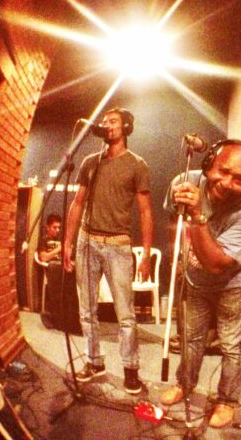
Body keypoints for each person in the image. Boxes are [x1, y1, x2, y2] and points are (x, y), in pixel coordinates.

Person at [160, 139, 241, 428]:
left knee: (231, 344)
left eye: (238, 180)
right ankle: (184, 385)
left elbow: (216, 264)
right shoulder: (184, 182)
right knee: (191, 338)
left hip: (229, 283)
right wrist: (180, 258)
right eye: (223, 171)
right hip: (194, 279)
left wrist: (197, 215)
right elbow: (173, 220)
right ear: (209, 165)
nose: (227, 183)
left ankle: (227, 400)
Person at [63, 107, 153, 395]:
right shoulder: (90, 162)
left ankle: (131, 370)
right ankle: (94, 361)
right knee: (87, 310)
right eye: (104, 121)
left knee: (125, 315)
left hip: (118, 245)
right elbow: (78, 202)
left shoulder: (137, 165)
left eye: (113, 121)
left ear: (126, 127)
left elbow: (145, 211)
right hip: (87, 241)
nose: (106, 124)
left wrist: (146, 254)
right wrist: (68, 242)